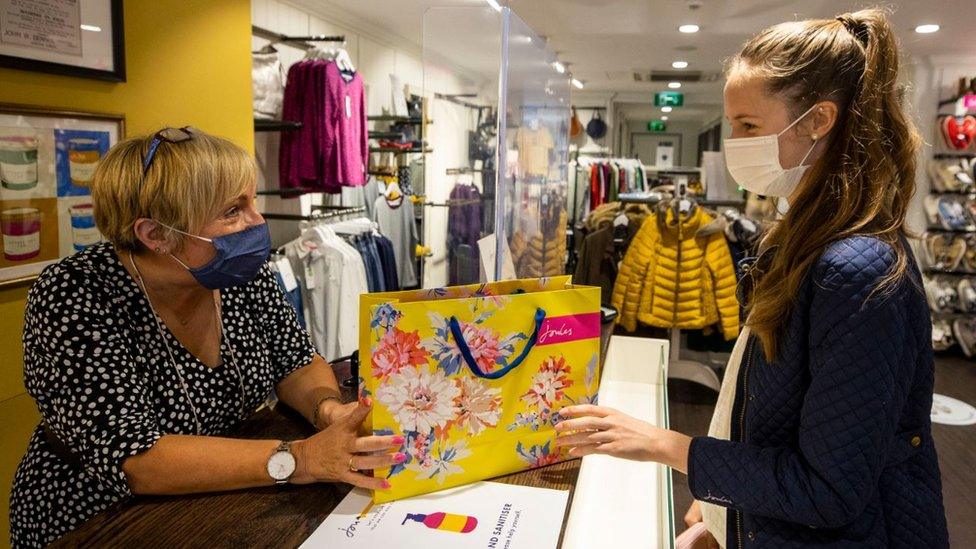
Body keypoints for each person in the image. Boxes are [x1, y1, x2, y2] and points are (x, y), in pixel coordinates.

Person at [555, 8, 948, 548]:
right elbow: (775, 416)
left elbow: (828, 490)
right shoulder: (803, 237)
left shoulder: (854, 268)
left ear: (818, 121)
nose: (734, 142)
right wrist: (726, 506)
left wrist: (667, 446)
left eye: (748, 125)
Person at [9, 128, 403, 547]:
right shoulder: (74, 293)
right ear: (155, 234)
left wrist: (327, 411)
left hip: (232, 489)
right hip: (100, 516)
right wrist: (302, 458)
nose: (257, 222)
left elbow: (296, 362)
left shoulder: (240, 274)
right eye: (233, 211)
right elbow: (137, 457)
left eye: (252, 202)